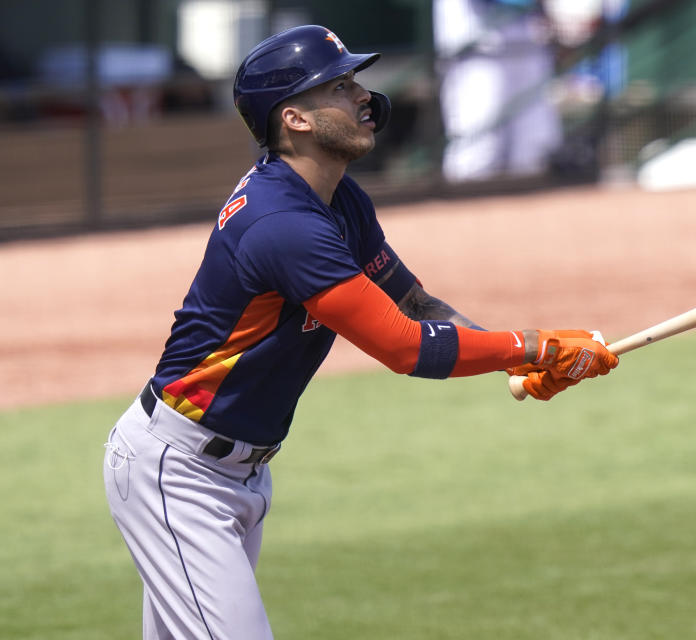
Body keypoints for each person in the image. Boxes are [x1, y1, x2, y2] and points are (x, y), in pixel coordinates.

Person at [102, 24, 617, 639]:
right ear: (294, 118)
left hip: (236, 471)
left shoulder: (340, 200)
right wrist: (529, 345)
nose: (363, 96)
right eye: (340, 87)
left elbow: (416, 302)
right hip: (180, 474)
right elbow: (403, 345)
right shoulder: (282, 224)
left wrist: (518, 362)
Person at [433, 0, 563, 181]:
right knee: (479, 152)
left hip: (529, 38)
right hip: (477, 46)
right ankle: (468, 206)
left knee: (532, 147)